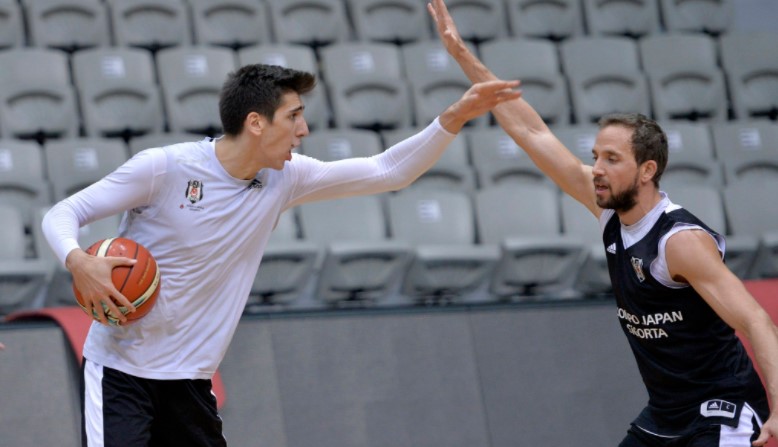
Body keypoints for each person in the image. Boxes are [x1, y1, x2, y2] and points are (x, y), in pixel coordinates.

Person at [41, 63, 520, 446]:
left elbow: (388, 171)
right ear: (256, 122)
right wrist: (78, 260)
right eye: (293, 116)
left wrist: (453, 117)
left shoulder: (285, 178)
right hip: (121, 373)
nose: (303, 129)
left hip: (190, 380)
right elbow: (64, 212)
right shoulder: (165, 168)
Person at [427, 1, 778, 446]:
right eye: (595, 156)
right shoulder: (609, 212)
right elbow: (531, 132)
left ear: (647, 170)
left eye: (612, 159)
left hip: (720, 409)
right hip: (665, 413)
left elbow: (756, 321)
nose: (596, 168)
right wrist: (461, 54)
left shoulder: (679, 242)